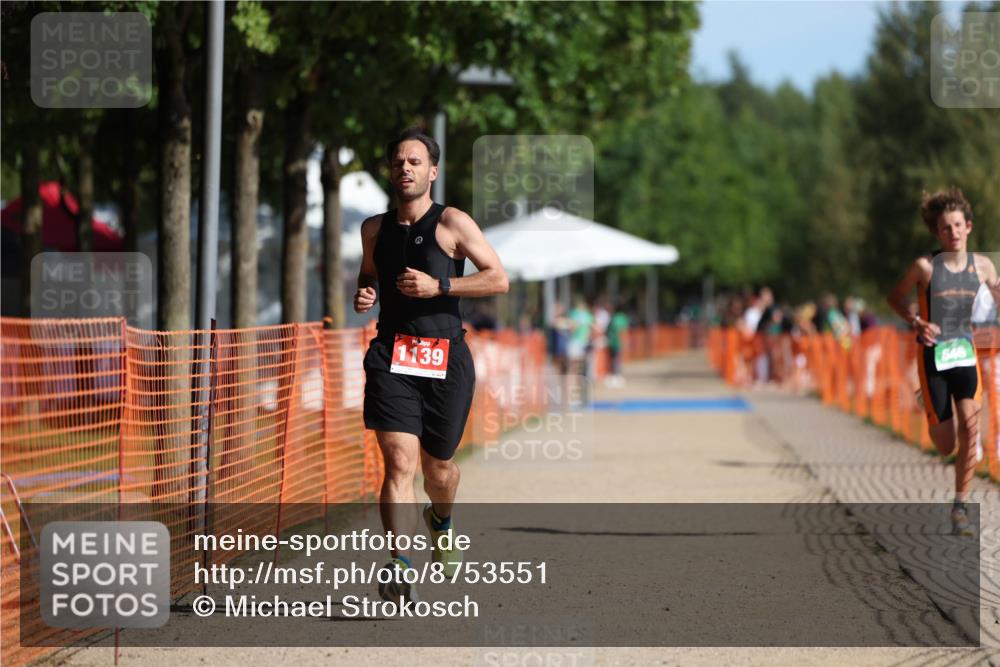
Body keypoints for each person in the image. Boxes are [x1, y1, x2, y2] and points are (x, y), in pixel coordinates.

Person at [354, 128, 509, 600]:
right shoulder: (373, 229)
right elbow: (369, 274)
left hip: (446, 358)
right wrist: (365, 292)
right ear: (390, 171)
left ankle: (441, 520)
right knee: (398, 461)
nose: (406, 168)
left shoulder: (453, 224)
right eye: (399, 161)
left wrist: (440, 288)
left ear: (432, 172)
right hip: (392, 355)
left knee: (438, 469)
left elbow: (498, 279)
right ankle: (399, 562)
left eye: (415, 162)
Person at [886, 188, 1000, 537]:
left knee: (971, 425)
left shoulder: (983, 265)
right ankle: (928, 400)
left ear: (968, 227)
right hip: (933, 357)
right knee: (946, 444)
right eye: (944, 228)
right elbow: (894, 298)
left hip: (965, 354)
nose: (952, 232)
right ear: (937, 232)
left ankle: (960, 507)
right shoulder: (924, 267)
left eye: (957, 225)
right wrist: (915, 320)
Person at [605, 303, 629, 387]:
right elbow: (623, 331)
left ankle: (614, 375)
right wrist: (624, 342)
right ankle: (616, 376)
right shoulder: (622, 318)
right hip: (617, 342)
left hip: (611, 342)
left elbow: (608, 330)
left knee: (612, 359)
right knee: (617, 359)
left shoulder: (613, 317)